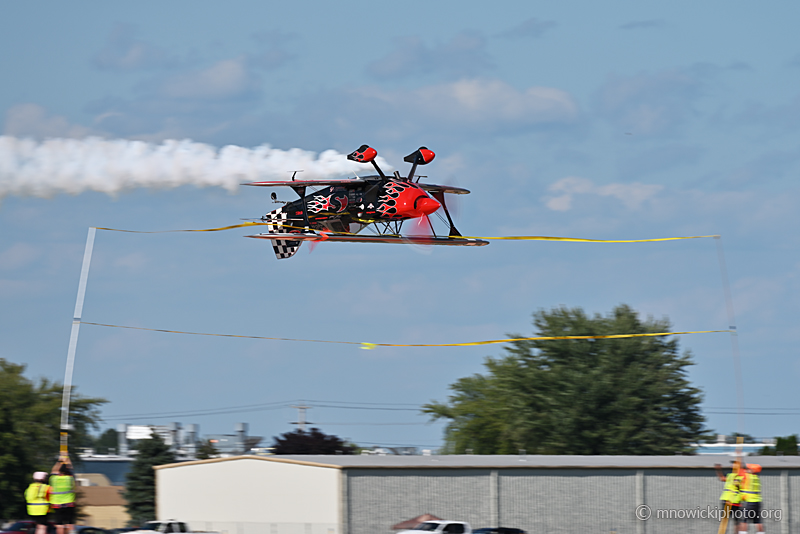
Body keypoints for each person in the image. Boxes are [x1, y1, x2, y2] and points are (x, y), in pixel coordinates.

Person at [49, 457, 76, 534]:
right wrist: (67, 460)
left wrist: (59, 461)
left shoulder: (53, 479)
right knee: (70, 523)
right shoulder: (70, 479)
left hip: (57, 505)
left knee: (59, 525)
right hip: (69, 504)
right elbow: (71, 469)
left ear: (59, 471)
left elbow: (53, 470)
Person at [716, 460, 744, 534]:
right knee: (724, 520)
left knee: (736, 521)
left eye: (734, 465)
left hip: (735, 502)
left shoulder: (741, 476)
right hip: (726, 500)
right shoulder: (730, 475)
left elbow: (739, 486)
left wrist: (737, 482)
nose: (732, 466)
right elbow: (722, 478)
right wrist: (718, 470)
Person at [741, 463, 764, 533]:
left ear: (752, 470)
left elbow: (741, 471)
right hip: (757, 502)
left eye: (749, 468)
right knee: (757, 521)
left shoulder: (748, 477)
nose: (747, 469)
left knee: (743, 520)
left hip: (749, 502)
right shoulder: (756, 478)